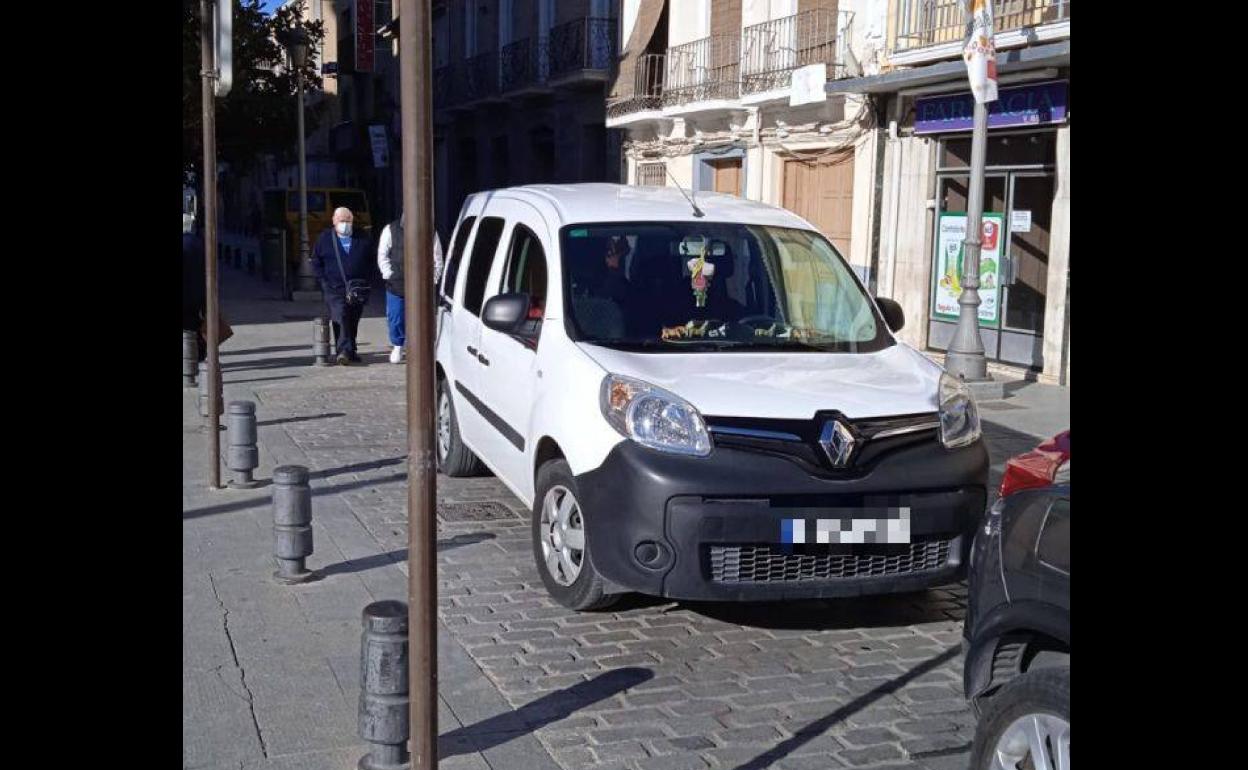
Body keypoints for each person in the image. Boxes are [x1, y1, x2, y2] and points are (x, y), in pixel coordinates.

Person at [376, 213, 444, 364]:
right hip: (397, 282)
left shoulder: (430, 231)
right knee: (396, 316)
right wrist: (389, 274)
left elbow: (437, 257)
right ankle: (398, 345)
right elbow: (382, 254)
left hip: (421, 283)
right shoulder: (390, 229)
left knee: (422, 317)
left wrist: (433, 279)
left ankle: (420, 347)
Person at [311, 207, 374, 365]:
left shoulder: (362, 237)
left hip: (357, 288)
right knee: (340, 315)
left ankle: (351, 350)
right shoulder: (325, 238)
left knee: (353, 319)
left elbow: (371, 260)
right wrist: (324, 281)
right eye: (341, 221)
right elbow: (316, 261)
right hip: (334, 288)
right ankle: (343, 351)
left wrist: (368, 280)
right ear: (334, 221)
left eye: (348, 221)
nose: (345, 224)